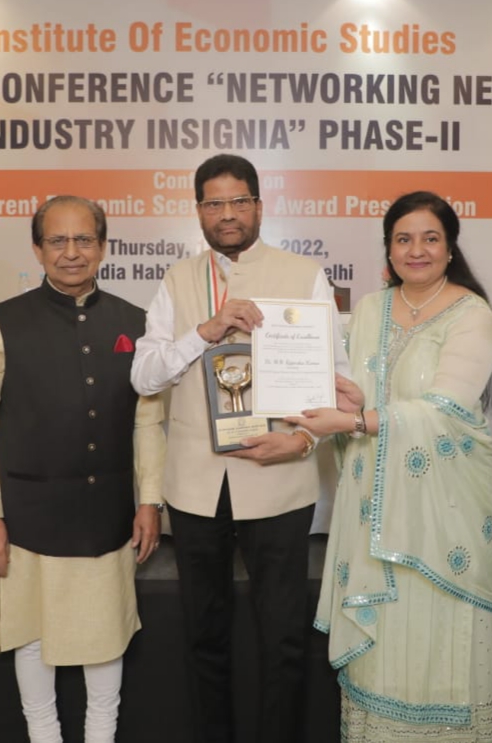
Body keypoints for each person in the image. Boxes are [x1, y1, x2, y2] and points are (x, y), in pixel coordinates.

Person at [130, 154, 350, 743]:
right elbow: (143, 377)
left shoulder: (304, 275)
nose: (227, 214)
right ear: (198, 210)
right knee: (204, 636)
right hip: (196, 486)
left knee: (283, 638)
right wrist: (204, 331)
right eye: (214, 203)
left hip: (279, 482)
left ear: (258, 205)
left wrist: (302, 439)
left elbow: (338, 379)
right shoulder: (178, 280)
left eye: (239, 201)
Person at [292, 191, 492, 741]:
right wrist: (350, 401)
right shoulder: (370, 309)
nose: (417, 250)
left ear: (450, 247)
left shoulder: (473, 315)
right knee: (385, 646)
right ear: (388, 249)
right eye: (403, 239)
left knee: (441, 643)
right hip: (374, 512)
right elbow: (369, 397)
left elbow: (446, 409)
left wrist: (355, 420)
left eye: (430, 238)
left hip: (444, 517)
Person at [0, 195, 165, 743]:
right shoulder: (6, 320)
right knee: (32, 638)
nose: (71, 252)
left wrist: (150, 501)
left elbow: (148, 423)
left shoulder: (135, 321)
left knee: (105, 638)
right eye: (57, 240)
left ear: (103, 246)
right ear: (37, 248)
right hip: (26, 516)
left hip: (107, 515)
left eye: (84, 240)